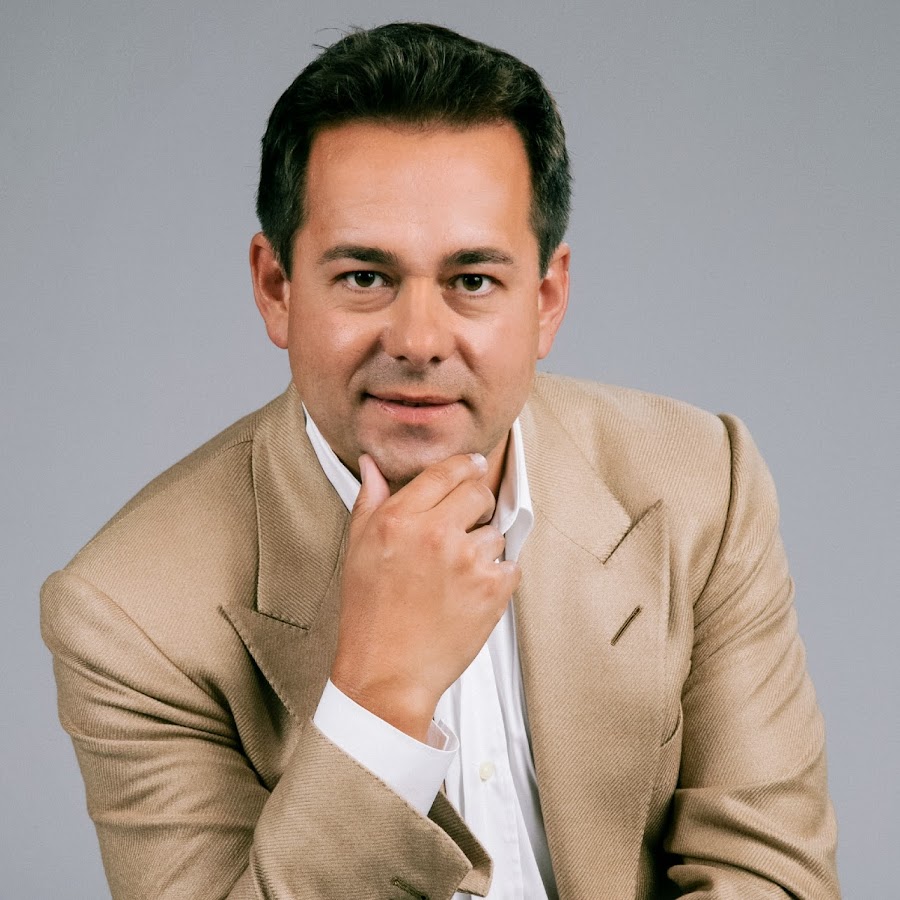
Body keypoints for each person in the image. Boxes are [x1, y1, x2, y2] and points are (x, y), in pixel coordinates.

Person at [41, 22, 839, 900]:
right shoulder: (128, 610)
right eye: (364, 277)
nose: (419, 341)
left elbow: (772, 879)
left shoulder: (700, 483)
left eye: (471, 281)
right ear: (276, 289)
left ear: (547, 300)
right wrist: (378, 696)